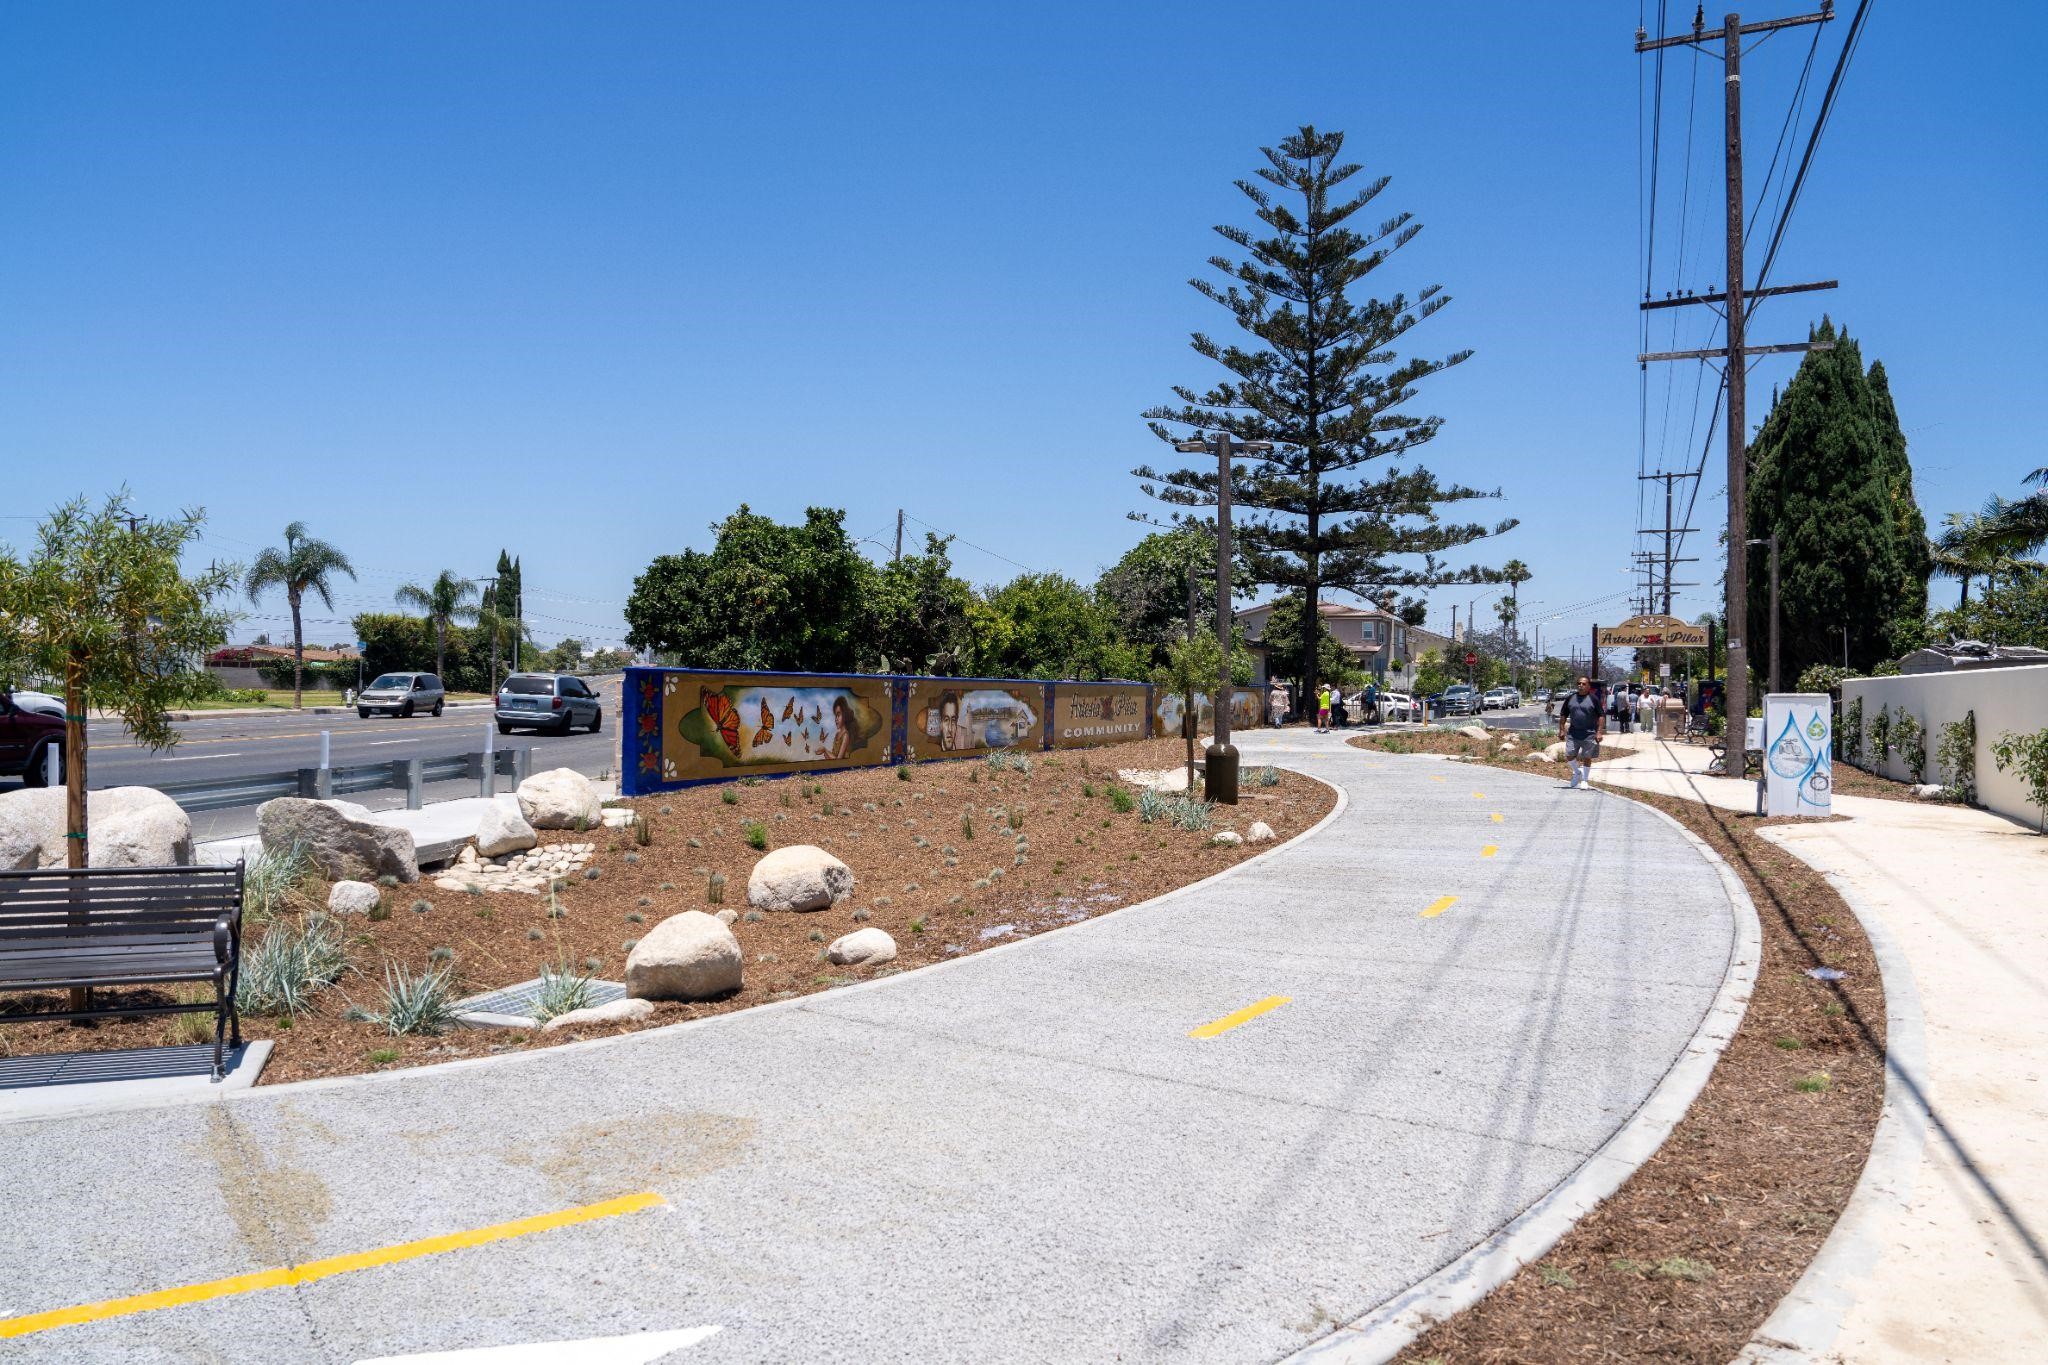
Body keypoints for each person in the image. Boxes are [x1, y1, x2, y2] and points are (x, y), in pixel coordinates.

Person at [1557, 675, 1606, 790]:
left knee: (1587, 757)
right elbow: (1563, 714)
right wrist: (1561, 730)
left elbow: (1601, 715)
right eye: (1579, 683)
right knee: (1569, 755)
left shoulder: (1593, 699)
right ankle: (1577, 772)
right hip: (1573, 733)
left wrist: (1599, 732)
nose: (1581, 686)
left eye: (1584, 684)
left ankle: (1584, 780)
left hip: (1589, 733)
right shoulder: (1570, 698)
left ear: (1589, 686)